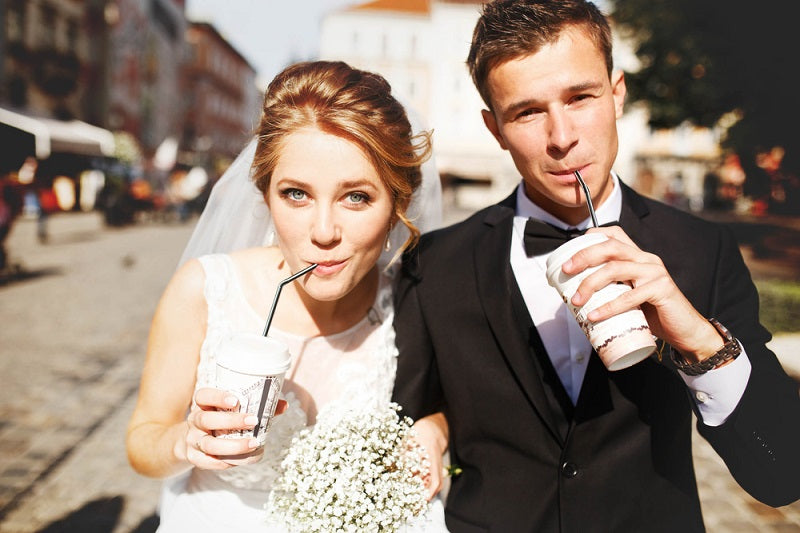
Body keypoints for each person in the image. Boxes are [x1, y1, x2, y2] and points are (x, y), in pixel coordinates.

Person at [391, 1, 800, 531]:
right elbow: (406, 416)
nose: (561, 137)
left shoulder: (703, 249)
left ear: (617, 93)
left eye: (580, 97)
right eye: (527, 112)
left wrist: (699, 341)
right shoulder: (434, 263)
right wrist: (432, 429)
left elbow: (781, 474)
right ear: (495, 129)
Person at [126, 60, 448, 532]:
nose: (322, 232)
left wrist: (435, 431)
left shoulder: (412, 301)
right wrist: (185, 443)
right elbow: (142, 441)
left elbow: (458, 404)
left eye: (356, 197)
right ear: (265, 194)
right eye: (296, 194)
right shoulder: (204, 290)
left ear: (398, 204)